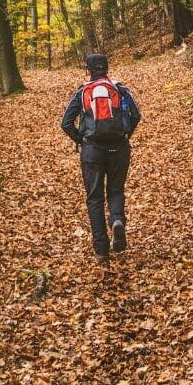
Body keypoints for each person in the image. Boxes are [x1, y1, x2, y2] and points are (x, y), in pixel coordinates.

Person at [60, 54, 141, 264]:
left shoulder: (82, 92)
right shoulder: (120, 89)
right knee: (115, 190)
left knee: (94, 199)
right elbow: (136, 115)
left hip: (92, 151)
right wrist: (125, 136)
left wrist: (81, 139)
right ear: (106, 68)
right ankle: (116, 220)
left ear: (88, 70)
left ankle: (101, 250)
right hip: (119, 149)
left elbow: (66, 123)